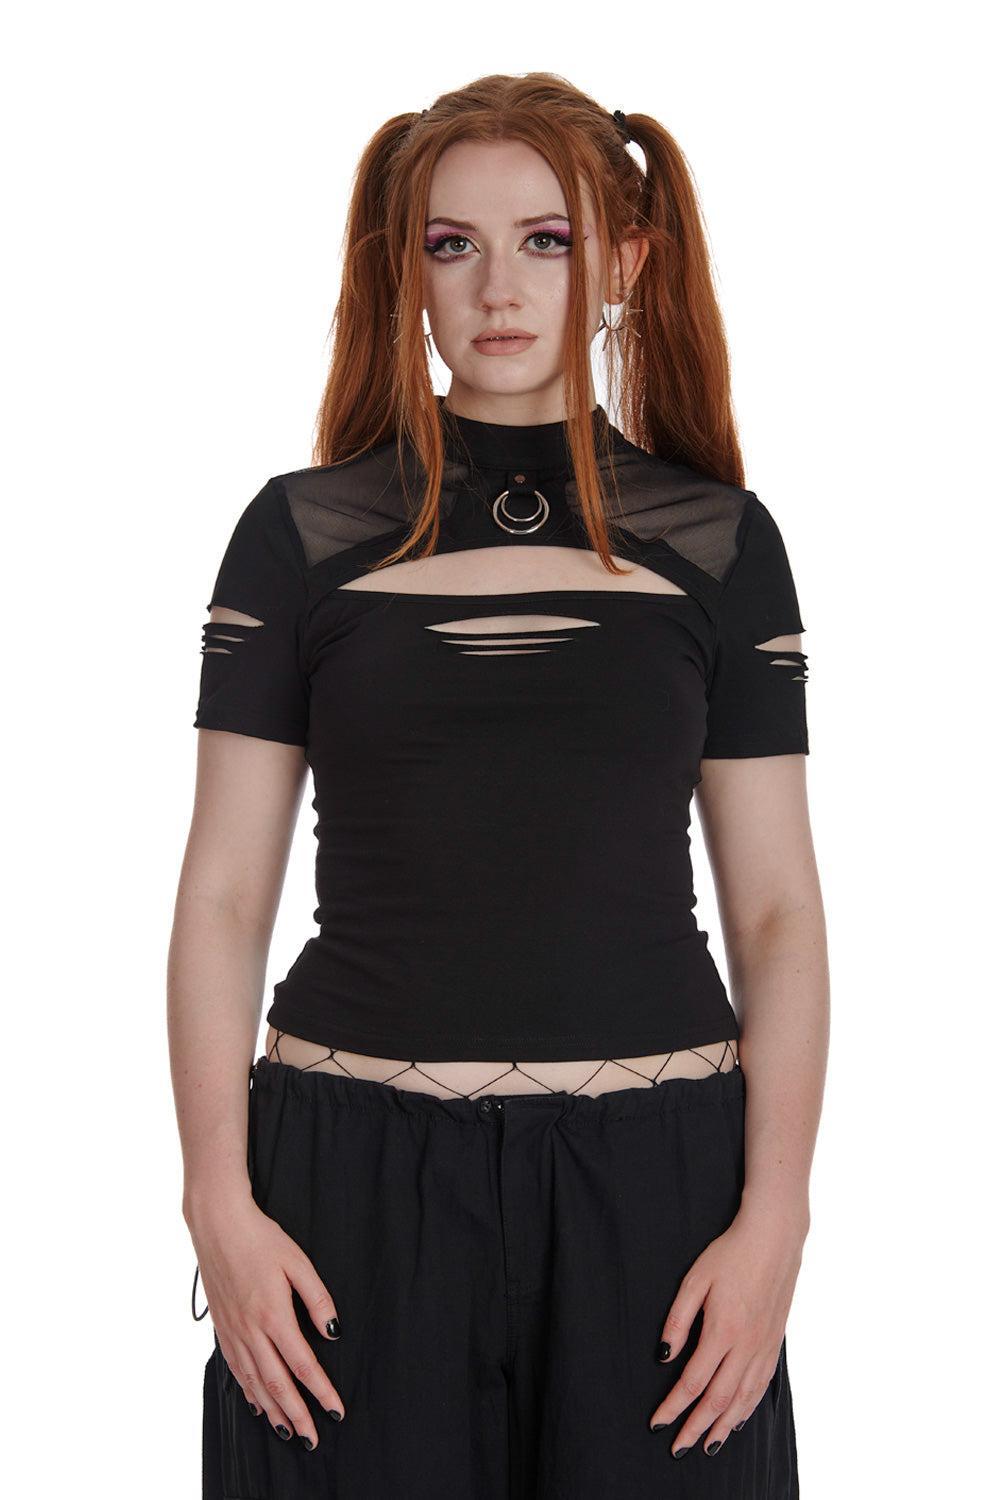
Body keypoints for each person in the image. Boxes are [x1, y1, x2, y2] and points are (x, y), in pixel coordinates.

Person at [169, 71, 828, 1500]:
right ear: (406, 268)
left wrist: (776, 1217)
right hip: (349, 1187)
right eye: (452, 244)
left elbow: (777, 908)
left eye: (548, 240)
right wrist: (217, 1200)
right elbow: (222, 894)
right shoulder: (303, 535)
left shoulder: (720, 543)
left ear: (624, 261)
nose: (499, 287)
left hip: (658, 1193)